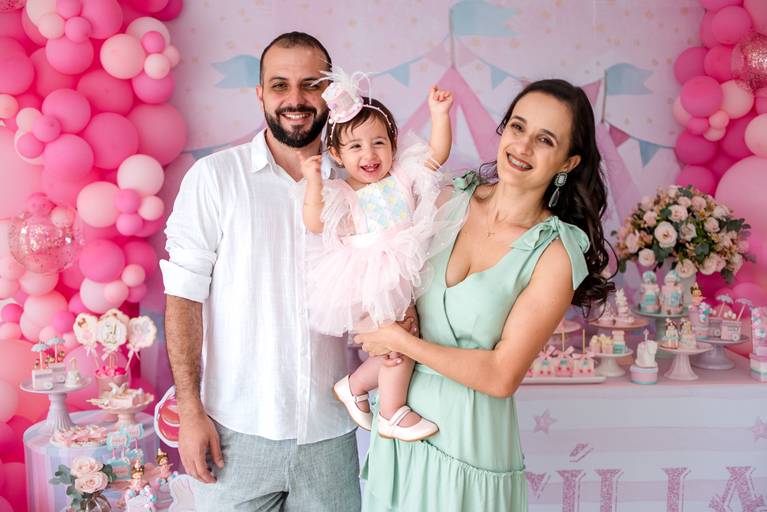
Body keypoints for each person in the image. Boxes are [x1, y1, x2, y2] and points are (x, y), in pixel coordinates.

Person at [355, 79, 613, 511]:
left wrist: (401, 342)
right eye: (518, 127)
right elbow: (380, 267)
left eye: (545, 140)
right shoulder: (445, 197)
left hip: (469, 444)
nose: (523, 146)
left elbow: (501, 375)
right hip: (399, 430)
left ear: (568, 162)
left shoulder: (554, 253)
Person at [161, 32, 361, 511]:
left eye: (311, 84)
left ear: (331, 91)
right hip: (233, 433)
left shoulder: (355, 184)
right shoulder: (215, 179)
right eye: (279, 85)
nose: (295, 99)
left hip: (329, 434)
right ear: (260, 94)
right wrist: (190, 411)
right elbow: (183, 298)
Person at [300, 71, 460, 442]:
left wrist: (440, 115)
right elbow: (314, 222)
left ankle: (355, 386)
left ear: (393, 144)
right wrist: (313, 183)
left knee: (406, 339)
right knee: (396, 344)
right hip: (368, 277)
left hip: (404, 270)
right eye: (355, 147)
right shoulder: (343, 193)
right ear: (337, 154)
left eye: (378, 143)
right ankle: (391, 412)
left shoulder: (401, 176)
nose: (369, 154)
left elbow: (436, 156)